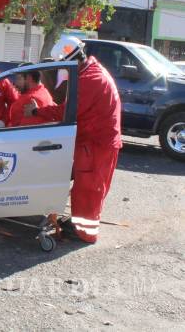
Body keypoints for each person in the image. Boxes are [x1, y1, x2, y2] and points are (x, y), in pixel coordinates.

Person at [24, 36, 122, 243]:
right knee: (86, 189)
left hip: (96, 145)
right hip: (96, 143)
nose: (64, 72)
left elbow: (67, 112)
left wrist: (37, 111)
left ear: (71, 61)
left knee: (88, 190)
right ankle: (80, 226)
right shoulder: (91, 72)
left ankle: (85, 233)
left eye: (63, 67)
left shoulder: (90, 80)